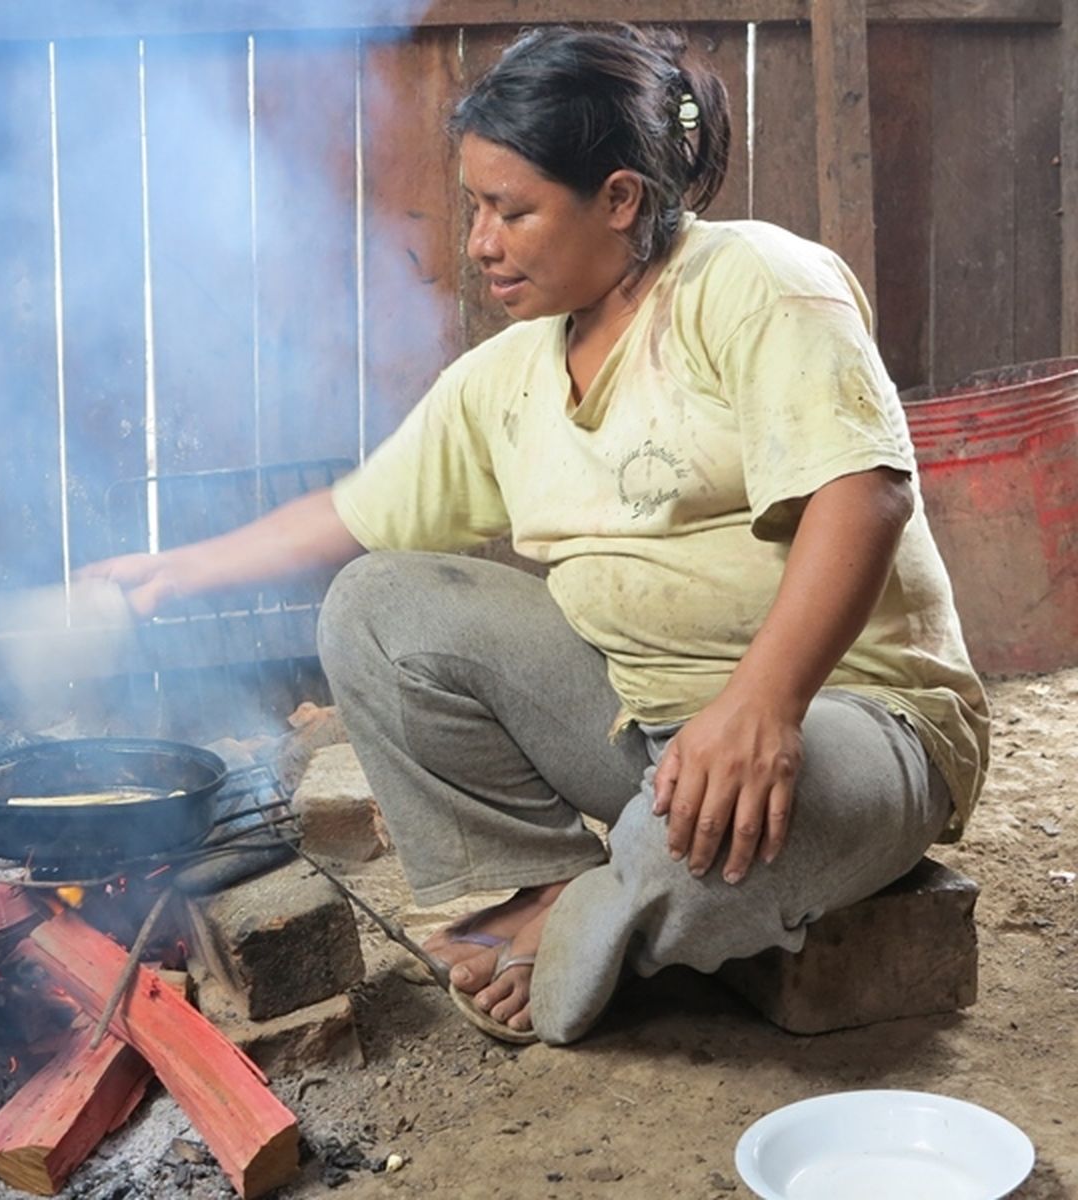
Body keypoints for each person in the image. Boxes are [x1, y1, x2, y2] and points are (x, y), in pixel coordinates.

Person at [82, 24, 988, 1044]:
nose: (479, 240)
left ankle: (592, 916)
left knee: (704, 838)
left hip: (845, 717)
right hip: (641, 728)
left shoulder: (757, 283)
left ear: (618, 198)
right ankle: (531, 892)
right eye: (477, 206)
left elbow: (862, 496)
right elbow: (355, 515)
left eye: (511, 209)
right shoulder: (504, 379)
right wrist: (173, 571)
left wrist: (762, 705)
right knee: (378, 607)